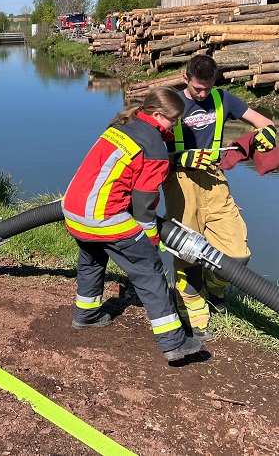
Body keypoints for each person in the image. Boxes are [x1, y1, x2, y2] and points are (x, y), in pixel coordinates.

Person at [62, 87, 204, 362]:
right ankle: (173, 342)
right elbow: (143, 203)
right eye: (173, 120)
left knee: (92, 259)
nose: (175, 125)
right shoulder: (154, 147)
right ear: (158, 114)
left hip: (74, 211)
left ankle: (86, 315)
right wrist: (151, 238)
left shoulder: (123, 125)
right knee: (149, 271)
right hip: (105, 218)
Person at [163, 54, 277, 340]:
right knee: (187, 251)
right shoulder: (171, 103)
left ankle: (214, 286)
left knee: (237, 253)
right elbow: (148, 149)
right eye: (197, 88)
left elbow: (264, 122)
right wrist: (179, 157)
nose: (202, 94)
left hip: (215, 180)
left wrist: (268, 134)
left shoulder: (223, 99)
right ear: (185, 77)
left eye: (208, 88)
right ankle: (192, 307)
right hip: (180, 182)